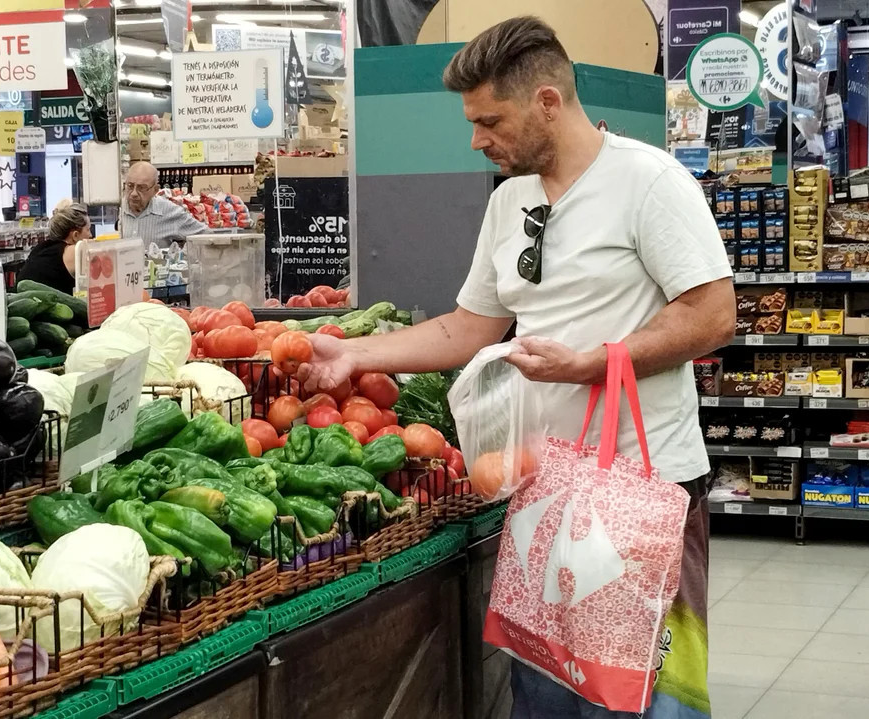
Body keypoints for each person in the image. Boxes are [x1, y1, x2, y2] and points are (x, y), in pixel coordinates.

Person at [296, 17, 734, 719]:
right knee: (547, 694)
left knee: (637, 701)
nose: (476, 138)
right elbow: (470, 325)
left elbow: (714, 313)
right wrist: (356, 353)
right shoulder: (509, 203)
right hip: (543, 489)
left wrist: (595, 362)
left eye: (489, 120)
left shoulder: (648, 182)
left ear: (548, 103)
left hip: (639, 493)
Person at [120, 161, 208, 250]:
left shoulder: (169, 212)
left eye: (142, 188)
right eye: (130, 186)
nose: (134, 193)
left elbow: (206, 235)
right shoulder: (116, 210)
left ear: (155, 190)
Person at [16, 201, 92, 294]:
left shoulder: (42, 248)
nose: (90, 235)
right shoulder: (72, 252)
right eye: (88, 229)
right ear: (75, 235)